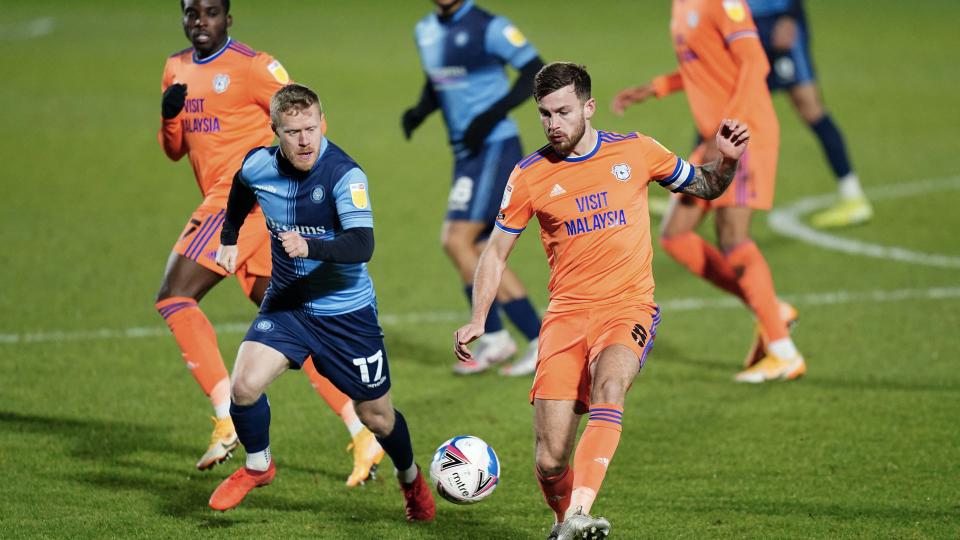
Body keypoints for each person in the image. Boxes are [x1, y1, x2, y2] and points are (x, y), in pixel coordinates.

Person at [455, 62, 749, 540]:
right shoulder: (530, 175)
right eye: (545, 114)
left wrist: (729, 160)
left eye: (564, 112)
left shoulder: (636, 151)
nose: (554, 124)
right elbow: (494, 252)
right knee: (550, 461)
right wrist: (478, 319)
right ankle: (563, 523)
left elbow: (706, 184)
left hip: (627, 307)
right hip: (566, 317)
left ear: (589, 108)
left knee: (610, 388)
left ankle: (579, 513)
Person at [156, 0, 383, 484]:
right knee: (299, 327)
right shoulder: (175, 68)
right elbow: (174, 150)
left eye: (211, 12)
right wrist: (169, 118)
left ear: (228, 18)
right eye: (191, 12)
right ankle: (363, 432)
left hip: (244, 202)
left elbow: (311, 126)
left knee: (175, 296)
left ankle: (225, 417)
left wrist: (295, 191)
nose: (201, 21)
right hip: (238, 209)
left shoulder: (255, 67)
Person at [208, 84, 436, 521]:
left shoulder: (344, 175)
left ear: (322, 123)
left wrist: (309, 248)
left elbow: (362, 244)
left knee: (378, 417)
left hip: (346, 315)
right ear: (275, 129)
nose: (305, 140)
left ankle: (410, 479)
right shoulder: (258, 165)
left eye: (311, 128)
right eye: (293, 132)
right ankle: (258, 465)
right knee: (244, 386)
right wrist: (229, 238)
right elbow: (239, 191)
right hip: (288, 305)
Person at [610, 0, 806, 382]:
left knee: (734, 238)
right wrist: (655, 88)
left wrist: (731, 126)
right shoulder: (682, 6)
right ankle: (769, 309)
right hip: (715, 136)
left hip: (742, 135)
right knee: (675, 235)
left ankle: (784, 353)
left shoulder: (724, 3)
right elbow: (704, 65)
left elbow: (755, 63)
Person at [402, 0, 545, 376]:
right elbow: (439, 81)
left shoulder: (490, 27)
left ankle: (497, 337)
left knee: (456, 239)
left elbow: (534, 68)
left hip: (494, 146)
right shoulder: (426, 31)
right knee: (480, 248)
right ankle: (535, 338)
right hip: (466, 152)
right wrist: (419, 111)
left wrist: (490, 115)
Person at [747, 0, 871, 227]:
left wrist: (790, 16)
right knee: (727, 102)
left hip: (779, 20)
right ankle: (689, 192)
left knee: (810, 107)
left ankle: (853, 196)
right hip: (743, 22)